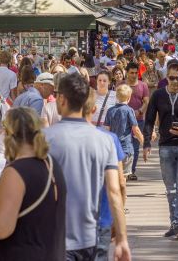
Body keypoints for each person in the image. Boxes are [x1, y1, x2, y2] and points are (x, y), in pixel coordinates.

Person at [43, 73, 130, 260]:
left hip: (55, 234)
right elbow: (115, 189)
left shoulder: (43, 139)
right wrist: (122, 237)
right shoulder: (105, 140)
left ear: (61, 99)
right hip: (93, 234)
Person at [0, 107, 66, 261]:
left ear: (9, 134)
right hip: (51, 252)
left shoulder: (15, 172)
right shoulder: (51, 164)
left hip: (20, 253)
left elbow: (2, 228)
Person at [143, 61, 178, 240]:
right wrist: (146, 143)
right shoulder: (158, 95)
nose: (175, 81)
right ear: (166, 78)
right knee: (171, 188)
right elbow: (150, 119)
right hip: (166, 146)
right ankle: (174, 222)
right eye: (172, 78)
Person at [104, 84, 143, 177]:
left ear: (116, 96)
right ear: (129, 97)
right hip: (126, 148)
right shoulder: (129, 110)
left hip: (113, 149)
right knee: (123, 177)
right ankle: (122, 191)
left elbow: (106, 130)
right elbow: (135, 129)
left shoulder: (110, 111)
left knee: (114, 176)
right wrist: (143, 141)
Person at [123, 62, 149, 180]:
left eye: (135, 73)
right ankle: (124, 170)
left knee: (135, 146)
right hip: (123, 120)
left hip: (139, 120)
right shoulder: (121, 85)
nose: (134, 75)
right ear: (127, 73)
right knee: (124, 144)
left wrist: (140, 111)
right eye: (131, 73)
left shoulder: (143, 85)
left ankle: (131, 171)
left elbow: (146, 101)